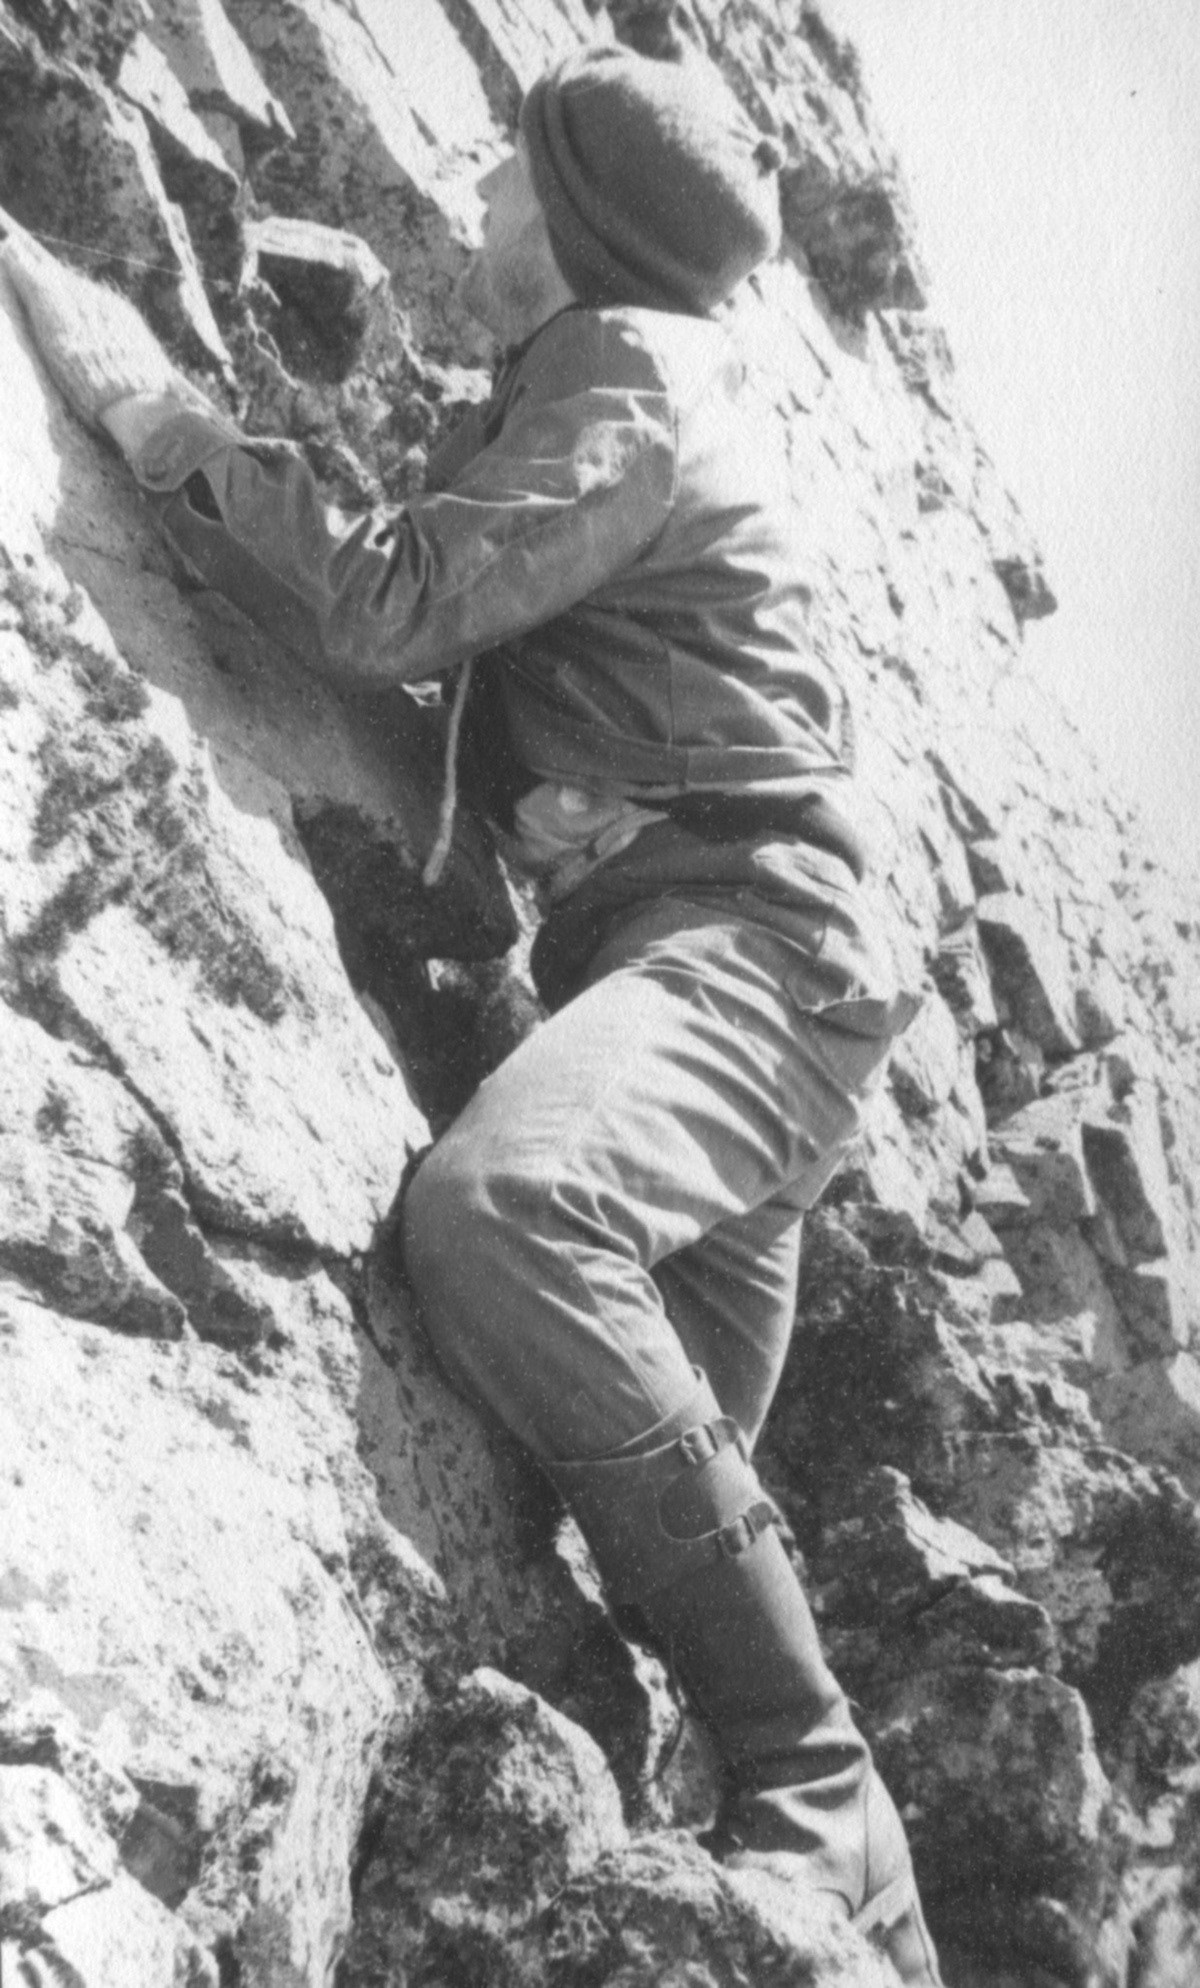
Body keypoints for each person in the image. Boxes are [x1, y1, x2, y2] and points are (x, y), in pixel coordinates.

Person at [1, 43, 942, 1984]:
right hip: (723, 959)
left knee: (507, 1216)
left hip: (741, 953)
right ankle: (873, 1914)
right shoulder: (619, 384)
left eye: (513, 177)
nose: (481, 199)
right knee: (659, 1505)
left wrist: (147, 406)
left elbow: (386, 607)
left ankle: (816, 1781)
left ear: (582, 223)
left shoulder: (627, 368)